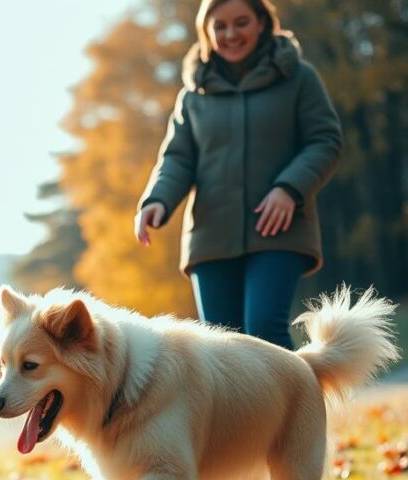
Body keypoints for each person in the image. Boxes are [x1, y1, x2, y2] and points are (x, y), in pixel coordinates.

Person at [135, 0, 343, 350]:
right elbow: (177, 158)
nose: (231, 34)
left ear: (262, 23)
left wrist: (289, 189)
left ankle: (297, 407)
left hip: (279, 229)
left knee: (265, 331)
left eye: (241, 22)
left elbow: (325, 141)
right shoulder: (193, 96)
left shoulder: (299, 78)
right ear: (206, 31)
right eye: (220, 26)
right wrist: (157, 200)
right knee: (222, 350)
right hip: (211, 238)